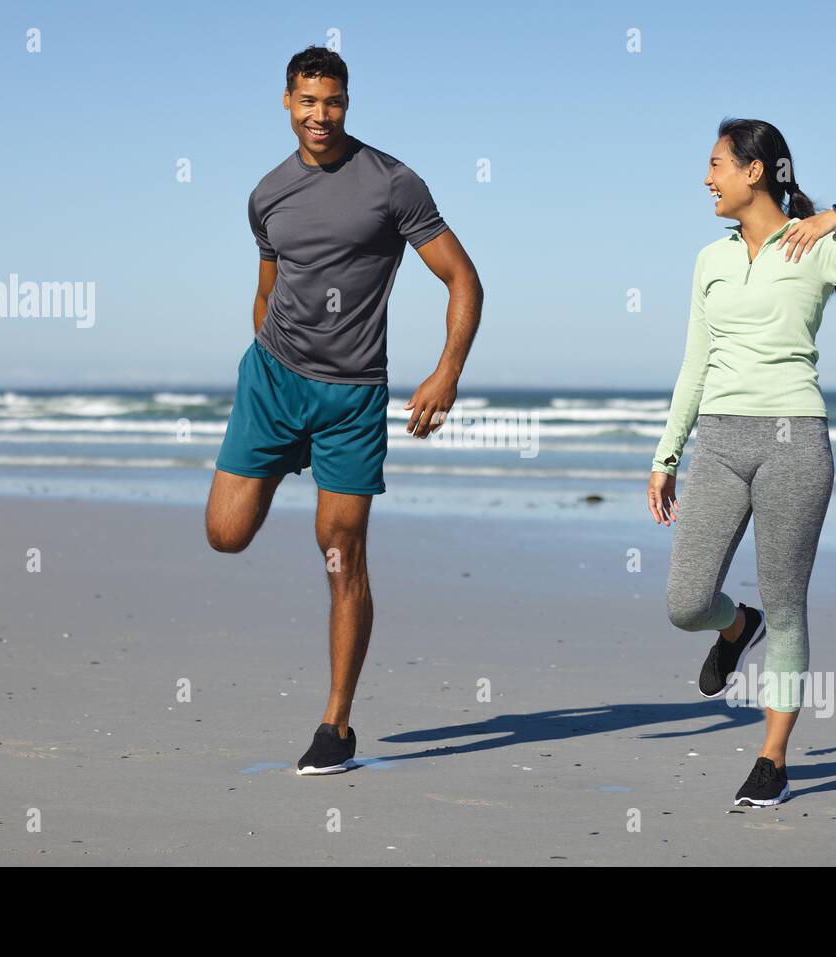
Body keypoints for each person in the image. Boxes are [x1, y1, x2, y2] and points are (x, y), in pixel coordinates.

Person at [206, 46, 483, 775]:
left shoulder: (393, 184)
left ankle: (336, 724)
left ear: (348, 103)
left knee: (341, 555)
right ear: (286, 102)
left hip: (352, 397)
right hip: (273, 381)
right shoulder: (267, 194)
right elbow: (267, 287)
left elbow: (463, 279)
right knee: (226, 534)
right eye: (307, 100)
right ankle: (281, 457)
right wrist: (269, 368)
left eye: (332, 101)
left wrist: (446, 372)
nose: (319, 114)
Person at [647, 117, 836, 807]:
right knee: (684, 602)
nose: (707, 178)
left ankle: (772, 757)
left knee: (789, 604)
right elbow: (695, 361)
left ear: (754, 171)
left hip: (796, 439)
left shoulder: (813, 245)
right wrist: (666, 451)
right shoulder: (710, 258)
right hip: (721, 441)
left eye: (716, 165)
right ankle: (738, 626)